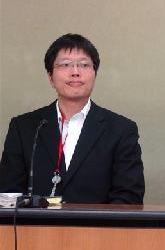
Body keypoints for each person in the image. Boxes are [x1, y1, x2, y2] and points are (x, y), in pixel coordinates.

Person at [0, 34, 144, 204]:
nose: (75, 72)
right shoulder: (24, 127)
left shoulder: (121, 130)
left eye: (84, 65)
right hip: (36, 222)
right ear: (50, 77)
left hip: (96, 222)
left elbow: (128, 197)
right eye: (65, 64)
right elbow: (9, 194)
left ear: (94, 74)